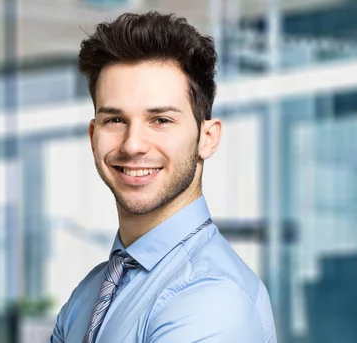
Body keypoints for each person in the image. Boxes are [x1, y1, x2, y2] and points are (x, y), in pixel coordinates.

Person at [49, 11, 277, 343]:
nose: (133, 144)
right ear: (92, 133)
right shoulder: (87, 296)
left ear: (207, 138)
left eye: (161, 120)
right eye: (115, 120)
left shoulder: (213, 299)